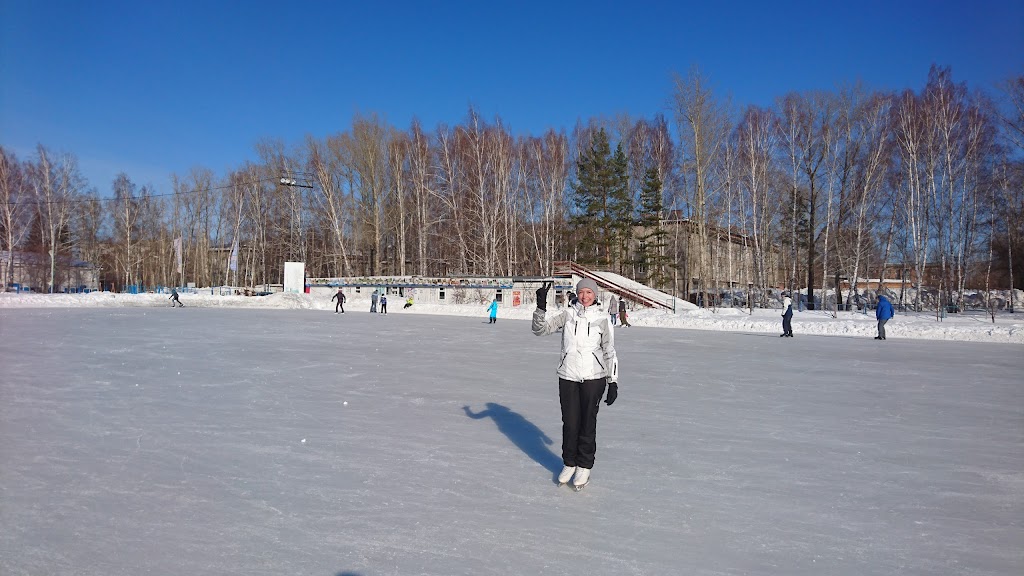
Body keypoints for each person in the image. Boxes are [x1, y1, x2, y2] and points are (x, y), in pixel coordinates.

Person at [532, 279, 618, 491]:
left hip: (593, 378)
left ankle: (584, 466)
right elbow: (540, 330)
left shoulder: (603, 318)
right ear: (577, 294)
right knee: (570, 423)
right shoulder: (567, 315)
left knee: (587, 423)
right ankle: (569, 463)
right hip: (568, 376)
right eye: (582, 292)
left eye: (589, 292)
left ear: (595, 295)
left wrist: (613, 381)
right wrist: (540, 307)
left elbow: (609, 350)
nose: (585, 296)